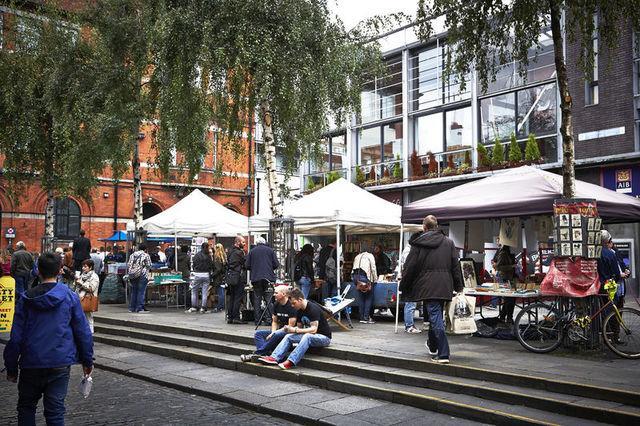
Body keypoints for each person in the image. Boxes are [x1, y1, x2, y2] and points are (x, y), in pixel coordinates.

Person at [3, 251, 94, 426]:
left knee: (26, 408)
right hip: (59, 362)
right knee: (55, 412)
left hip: (31, 362)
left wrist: (11, 367)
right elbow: (83, 332)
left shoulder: (26, 298)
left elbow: (16, 337)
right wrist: (87, 361)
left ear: (38, 271)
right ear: (60, 270)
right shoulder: (69, 296)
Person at [401, 215, 463, 364]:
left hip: (427, 286)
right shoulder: (449, 243)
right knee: (434, 316)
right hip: (445, 286)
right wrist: (459, 286)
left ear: (424, 227)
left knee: (435, 317)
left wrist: (404, 285)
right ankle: (433, 345)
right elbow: (456, 266)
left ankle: (443, 353)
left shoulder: (418, 244)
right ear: (437, 226)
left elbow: (410, 267)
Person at [259, 288, 331, 369]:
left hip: (324, 337)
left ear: (300, 300)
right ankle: (274, 357)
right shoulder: (299, 310)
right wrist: (288, 329)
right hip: (309, 336)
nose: (292, 306)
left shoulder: (313, 309)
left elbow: (314, 329)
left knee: (307, 336)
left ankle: (291, 361)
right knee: (288, 336)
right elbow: (299, 328)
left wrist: (295, 330)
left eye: (294, 303)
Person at [239, 285, 298, 362]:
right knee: (258, 334)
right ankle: (265, 354)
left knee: (276, 334)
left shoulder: (291, 306)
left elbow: (290, 327)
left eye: (276, 293)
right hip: (278, 332)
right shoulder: (276, 304)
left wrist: (275, 333)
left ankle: (257, 354)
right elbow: (274, 321)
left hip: (289, 332)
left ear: (283, 294)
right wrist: (273, 332)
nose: (274, 294)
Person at [245, 236, 280, 325]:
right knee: (269, 300)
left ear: (256, 243)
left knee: (257, 300)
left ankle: (258, 320)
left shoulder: (252, 252)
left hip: (256, 278)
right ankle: (270, 320)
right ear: (264, 242)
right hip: (268, 278)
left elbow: (247, 265)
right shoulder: (270, 251)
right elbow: (276, 264)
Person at [397, 232, 423, 334]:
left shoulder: (409, 250)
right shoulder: (409, 251)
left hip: (410, 279)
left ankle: (409, 325)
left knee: (411, 303)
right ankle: (409, 326)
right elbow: (410, 267)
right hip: (410, 280)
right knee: (410, 304)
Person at [187, 242, 213, 313]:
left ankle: (194, 306)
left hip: (197, 274)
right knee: (204, 292)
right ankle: (203, 307)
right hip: (206, 274)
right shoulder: (209, 256)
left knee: (194, 291)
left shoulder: (197, 255)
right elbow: (211, 265)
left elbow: (194, 264)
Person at [352, 249, 377, 324]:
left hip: (356, 278)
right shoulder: (370, 256)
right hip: (365, 277)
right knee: (368, 297)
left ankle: (361, 317)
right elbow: (373, 268)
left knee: (361, 298)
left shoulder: (357, 256)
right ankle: (366, 317)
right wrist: (375, 279)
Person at [74, 259, 100, 333]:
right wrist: (76, 281)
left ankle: (90, 332)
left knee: (88, 317)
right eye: (83, 266)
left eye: (85, 266)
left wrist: (81, 284)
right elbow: (77, 286)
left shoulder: (94, 276)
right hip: (80, 297)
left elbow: (91, 288)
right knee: (81, 316)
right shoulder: (82, 275)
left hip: (88, 298)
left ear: (90, 267)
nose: (83, 268)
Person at [494, 243, 517, 323]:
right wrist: (511, 266)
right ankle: (508, 318)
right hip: (505, 278)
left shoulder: (510, 253)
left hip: (511, 278)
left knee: (511, 299)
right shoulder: (503, 253)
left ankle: (504, 317)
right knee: (509, 299)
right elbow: (498, 267)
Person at [227, 236, 247, 324]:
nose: (244, 244)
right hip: (237, 277)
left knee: (232, 297)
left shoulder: (230, 251)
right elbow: (245, 264)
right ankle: (236, 317)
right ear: (238, 242)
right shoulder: (239, 253)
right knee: (237, 297)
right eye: (243, 242)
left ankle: (230, 317)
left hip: (231, 277)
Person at [127, 243, 152, 314]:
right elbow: (149, 265)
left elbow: (129, 264)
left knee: (134, 291)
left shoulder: (132, 255)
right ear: (145, 249)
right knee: (141, 292)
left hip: (133, 275)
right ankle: (139, 308)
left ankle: (132, 308)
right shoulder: (146, 255)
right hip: (142, 275)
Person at [211, 243, 227, 313]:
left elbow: (218, 269)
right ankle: (222, 306)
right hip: (223, 277)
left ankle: (219, 306)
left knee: (220, 292)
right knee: (222, 292)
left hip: (218, 278)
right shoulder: (224, 257)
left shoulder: (217, 258)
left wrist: (212, 275)